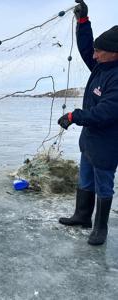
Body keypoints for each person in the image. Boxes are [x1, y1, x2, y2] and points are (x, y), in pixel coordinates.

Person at [57, 0, 118, 246]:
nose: (94, 55)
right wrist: (83, 22)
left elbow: (106, 112)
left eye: (99, 52)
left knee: (103, 183)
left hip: (108, 143)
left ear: (114, 52)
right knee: (85, 178)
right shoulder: (102, 65)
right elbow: (86, 49)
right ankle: (82, 216)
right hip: (90, 140)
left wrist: (75, 116)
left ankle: (100, 227)